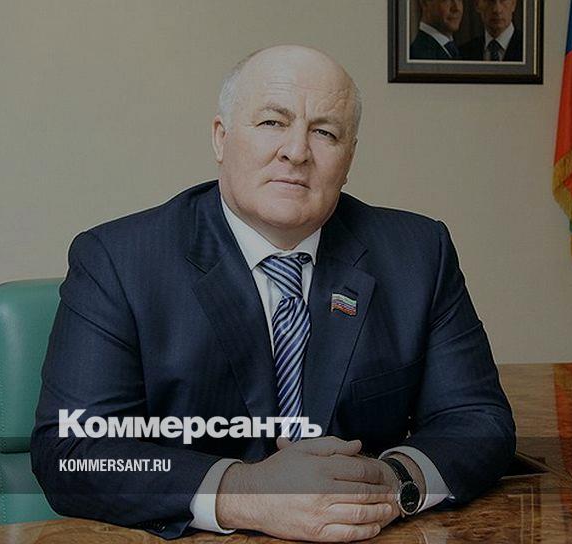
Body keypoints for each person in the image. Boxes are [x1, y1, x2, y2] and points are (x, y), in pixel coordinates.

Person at [31, 45, 515, 542]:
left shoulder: (418, 254)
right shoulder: (119, 260)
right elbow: (72, 450)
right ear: (221, 138)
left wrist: (392, 482)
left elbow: (478, 420)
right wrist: (242, 492)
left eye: (325, 132)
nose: (296, 152)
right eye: (271, 123)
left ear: (348, 158)